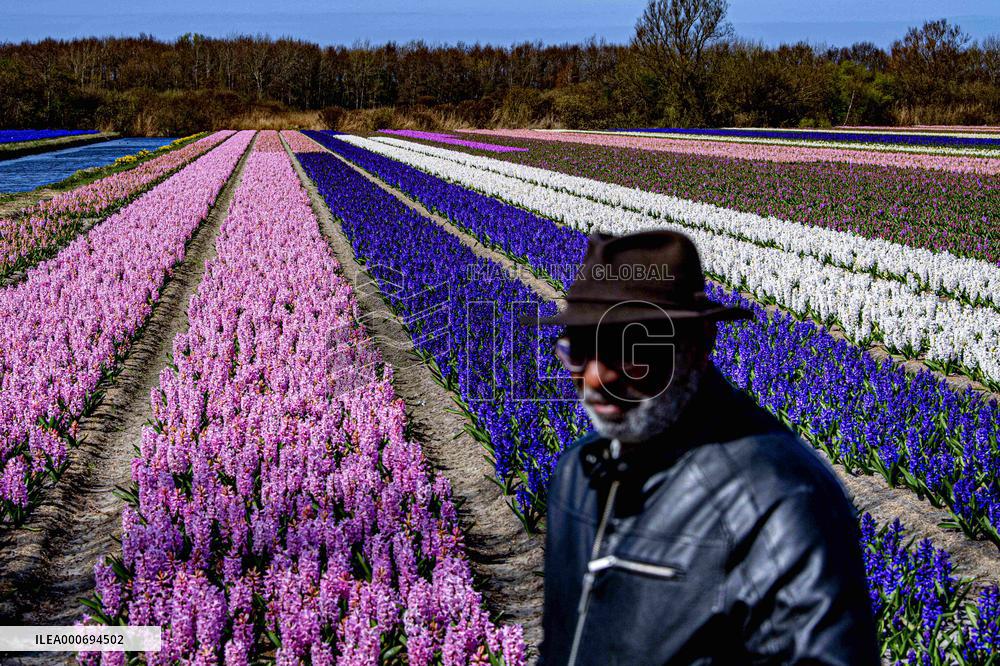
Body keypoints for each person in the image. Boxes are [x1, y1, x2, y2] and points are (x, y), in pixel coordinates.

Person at [525, 231, 879, 665]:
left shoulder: (778, 499)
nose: (598, 377)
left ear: (697, 345)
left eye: (630, 349)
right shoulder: (578, 471)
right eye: (580, 350)